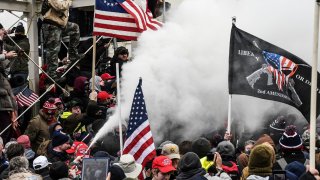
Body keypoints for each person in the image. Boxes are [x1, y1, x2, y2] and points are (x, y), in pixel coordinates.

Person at [41, 0, 82, 82]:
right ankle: (51, 75)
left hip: (59, 25)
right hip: (51, 25)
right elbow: (60, 6)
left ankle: (73, 54)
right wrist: (69, 1)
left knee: (75, 28)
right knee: (53, 50)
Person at [0, 22, 18, 144]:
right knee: (4, 132)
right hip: (2, 106)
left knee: (7, 132)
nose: (4, 32)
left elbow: (4, 68)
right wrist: (5, 56)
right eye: (1, 30)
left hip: (5, 106)